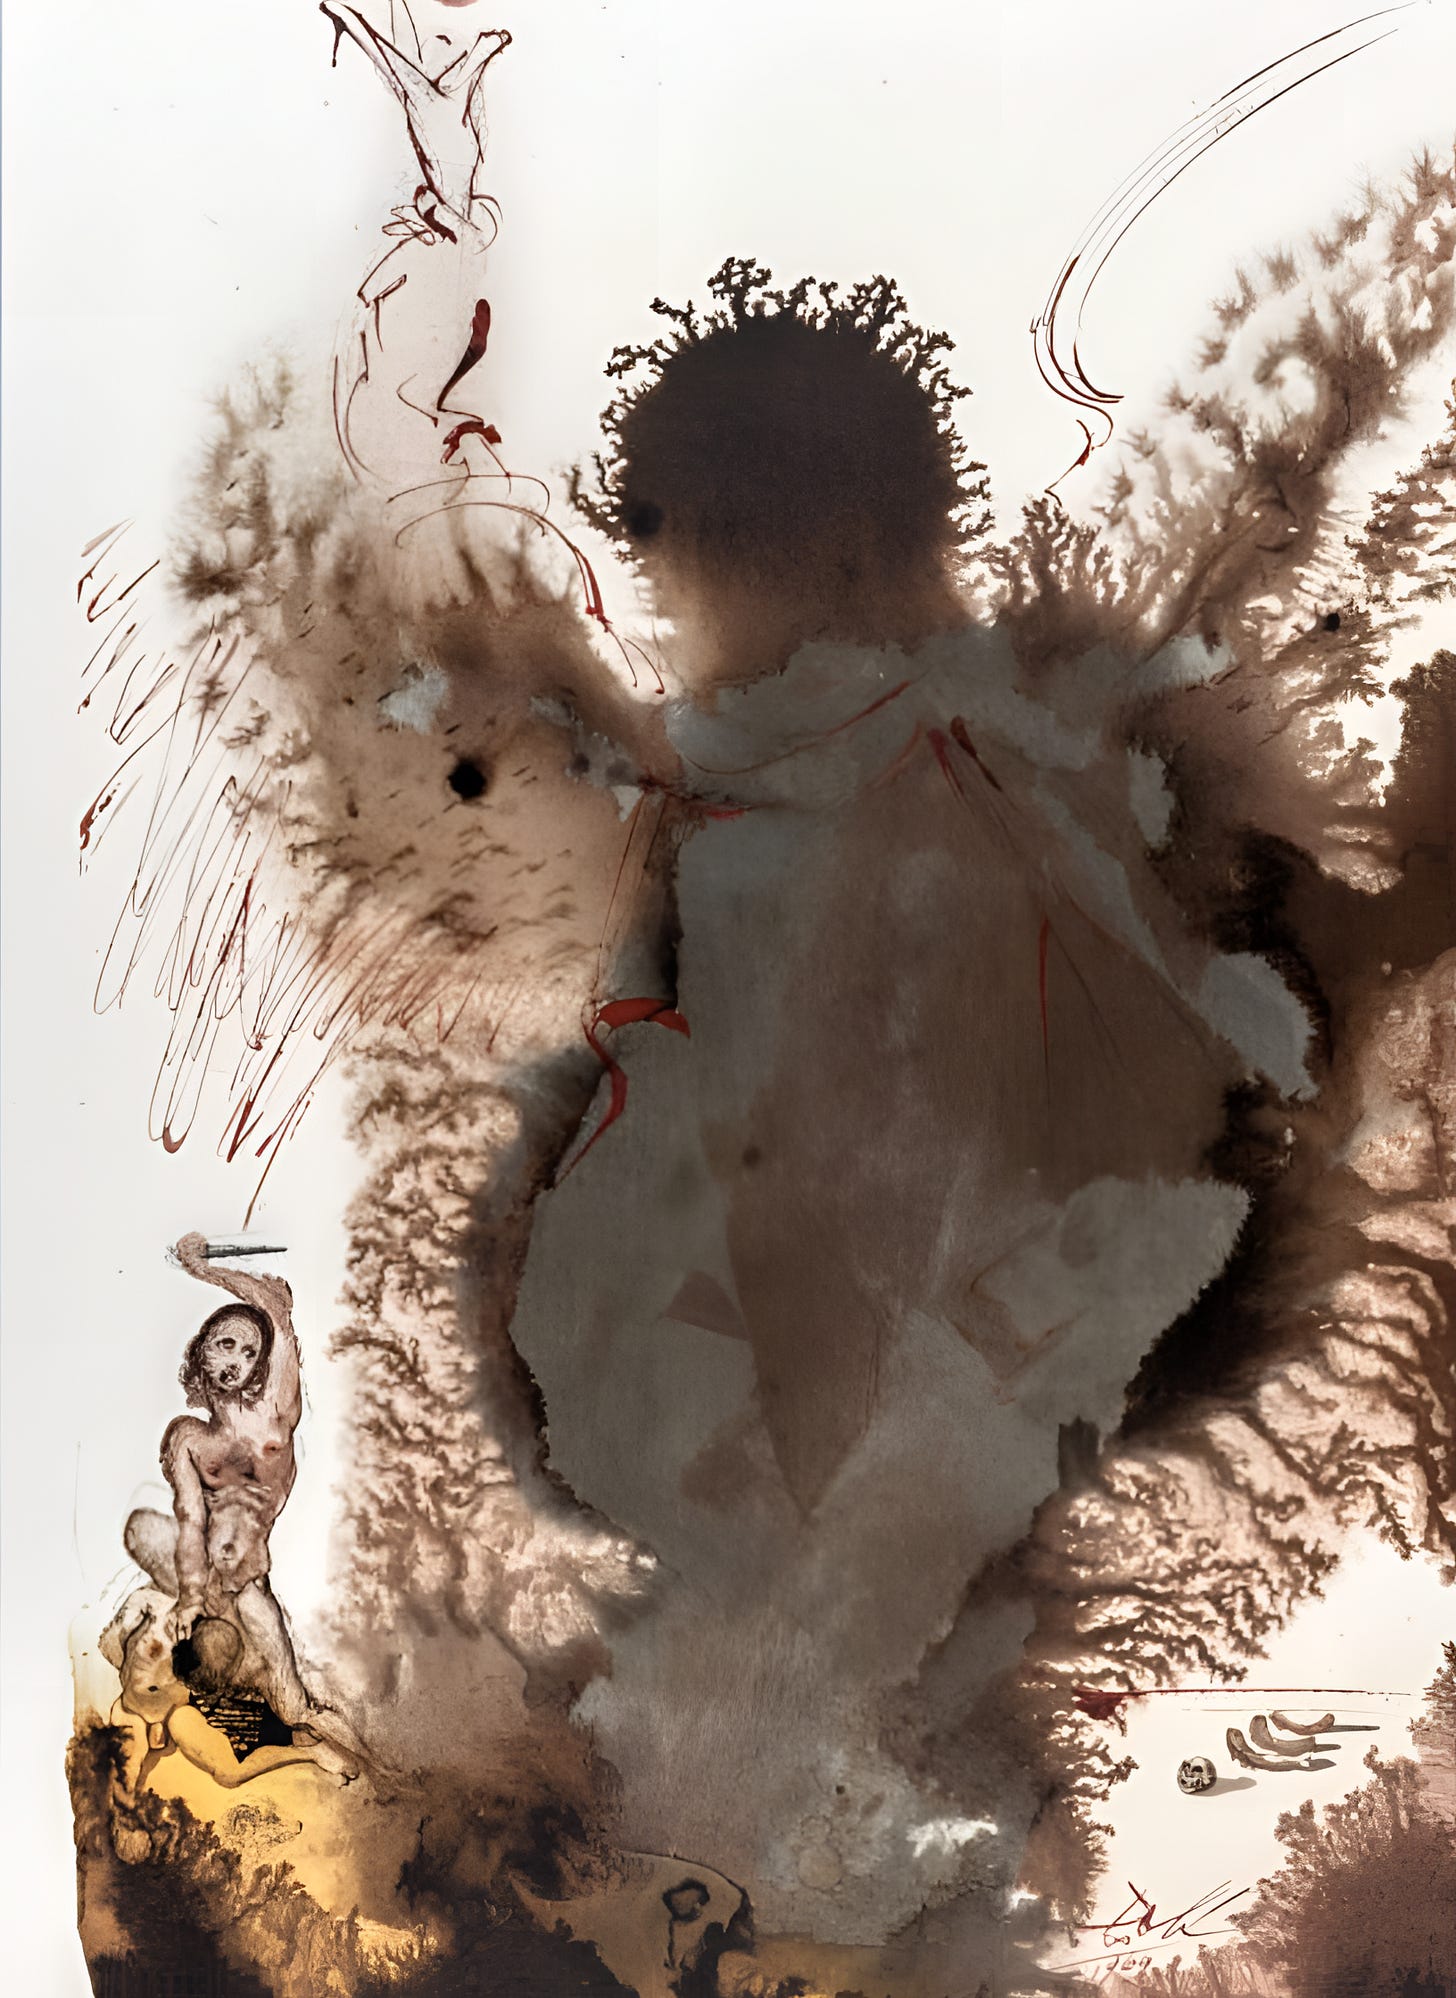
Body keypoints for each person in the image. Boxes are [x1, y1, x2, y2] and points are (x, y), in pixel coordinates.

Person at [122, 1235, 362, 1767]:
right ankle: (186, 1678)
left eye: (251, 1352)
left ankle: (354, 1762)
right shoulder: (188, 1437)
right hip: (201, 1574)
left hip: (250, 1582)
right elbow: (189, 1520)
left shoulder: (275, 1409)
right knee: (140, 1528)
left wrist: (200, 1267)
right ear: (201, 1351)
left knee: (294, 1703)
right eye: (226, 1344)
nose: (238, 1359)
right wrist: (190, 1595)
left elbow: (277, 1308)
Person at [103, 1594, 346, 1796]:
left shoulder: (241, 1653)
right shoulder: (170, 1699)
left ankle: (311, 1749)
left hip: (254, 1709)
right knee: (228, 1771)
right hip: (216, 1715)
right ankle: (311, 1751)